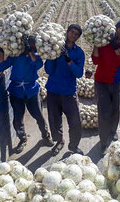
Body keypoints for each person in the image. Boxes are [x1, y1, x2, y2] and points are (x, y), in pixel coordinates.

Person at [0, 36, 54, 154]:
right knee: (17, 119)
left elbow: (37, 65)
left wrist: (30, 52)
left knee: (38, 115)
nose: (31, 47)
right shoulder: (15, 57)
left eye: (32, 45)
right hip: (16, 91)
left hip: (32, 90)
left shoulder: (36, 56)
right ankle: (23, 139)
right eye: (29, 45)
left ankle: (46, 135)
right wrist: (1, 51)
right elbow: (0, 66)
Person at [92, 19, 120, 155]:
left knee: (115, 108)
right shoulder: (104, 43)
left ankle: (112, 130)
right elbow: (95, 61)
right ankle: (103, 142)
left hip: (116, 81)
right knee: (103, 111)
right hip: (101, 82)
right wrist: (96, 44)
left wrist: (116, 48)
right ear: (115, 29)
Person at [44, 24, 85, 156]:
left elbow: (79, 73)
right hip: (53, 90)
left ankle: (73, 146)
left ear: (78, 37)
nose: (73, 35)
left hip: (68, 92)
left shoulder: (79, 53)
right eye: (71, 32)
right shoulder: (56, 49)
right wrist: (53, 57)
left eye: (76, 34)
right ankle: (59, 141)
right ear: (67, 32)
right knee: (54, 119)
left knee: (74, 121)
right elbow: (48, 70)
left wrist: (69, 61)